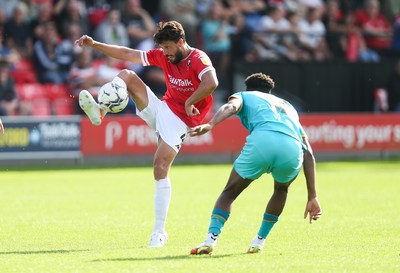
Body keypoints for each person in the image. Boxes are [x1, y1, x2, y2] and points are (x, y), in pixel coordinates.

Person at [74, 20, 218, 247]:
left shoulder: (198, 58)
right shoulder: (164, 54)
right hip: (163, 108)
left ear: (181, 42)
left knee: (160, 166)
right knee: (126, 75)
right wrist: (94, 45)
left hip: (181, 121)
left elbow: (212, 82)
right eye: (162, 48)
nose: (165, 53)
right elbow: (127, 53)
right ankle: (100, 111)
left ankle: (159, 232)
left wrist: (191, 101)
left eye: (169, 48)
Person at [189, 72, 322, 255]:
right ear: (270, 91)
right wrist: (312, 196)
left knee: (229, 192)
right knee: (281, 190)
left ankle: (210, 240)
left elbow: (231, 107)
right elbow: (308, 151)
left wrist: (211, 124)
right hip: (292, 148)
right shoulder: (288, 106)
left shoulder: (244, 95)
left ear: (248, 88)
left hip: (263, 141)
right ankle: (259, 242)